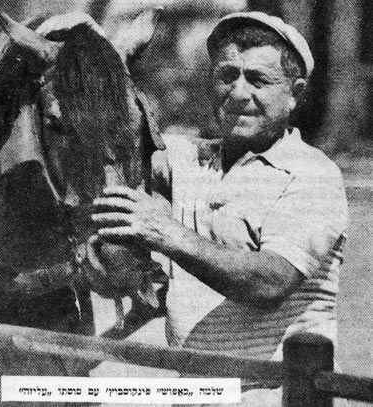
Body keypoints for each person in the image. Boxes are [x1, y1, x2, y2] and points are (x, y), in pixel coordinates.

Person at [91, 11, 348, 405]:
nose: (239, 92)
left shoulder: (313, 174)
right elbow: (110, 132)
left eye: (259, 79)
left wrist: (165, 232)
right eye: (227, 75)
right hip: (193, 392)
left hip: (273, 396)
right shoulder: (186, 158)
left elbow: (271, 282)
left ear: (295, 93)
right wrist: (116, 57)